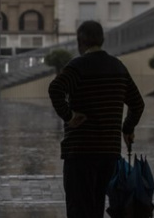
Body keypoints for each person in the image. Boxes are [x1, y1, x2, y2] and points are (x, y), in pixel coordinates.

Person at [48, 20, 145, 218]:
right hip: (108, 152)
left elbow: (55, 88)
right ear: (102, 40)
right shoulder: (118, 67)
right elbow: (137, 103)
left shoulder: (77, 66)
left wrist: (69, 115)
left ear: (79, 41)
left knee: (79, 208)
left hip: (80, 152)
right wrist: (127, 128)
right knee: (97, 207)